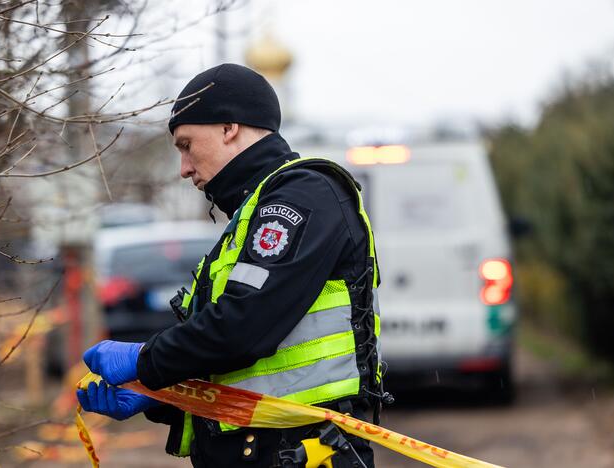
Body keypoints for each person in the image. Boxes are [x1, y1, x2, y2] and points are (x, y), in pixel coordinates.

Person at [76, 63, 386, 467]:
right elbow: (254, 374)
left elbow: (242, 328)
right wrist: (159, 396)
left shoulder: (302, 195)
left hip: (302, 454)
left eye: (186, 145)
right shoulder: (251, 212)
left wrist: (145, 360)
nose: (183, 168)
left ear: (228, 128)